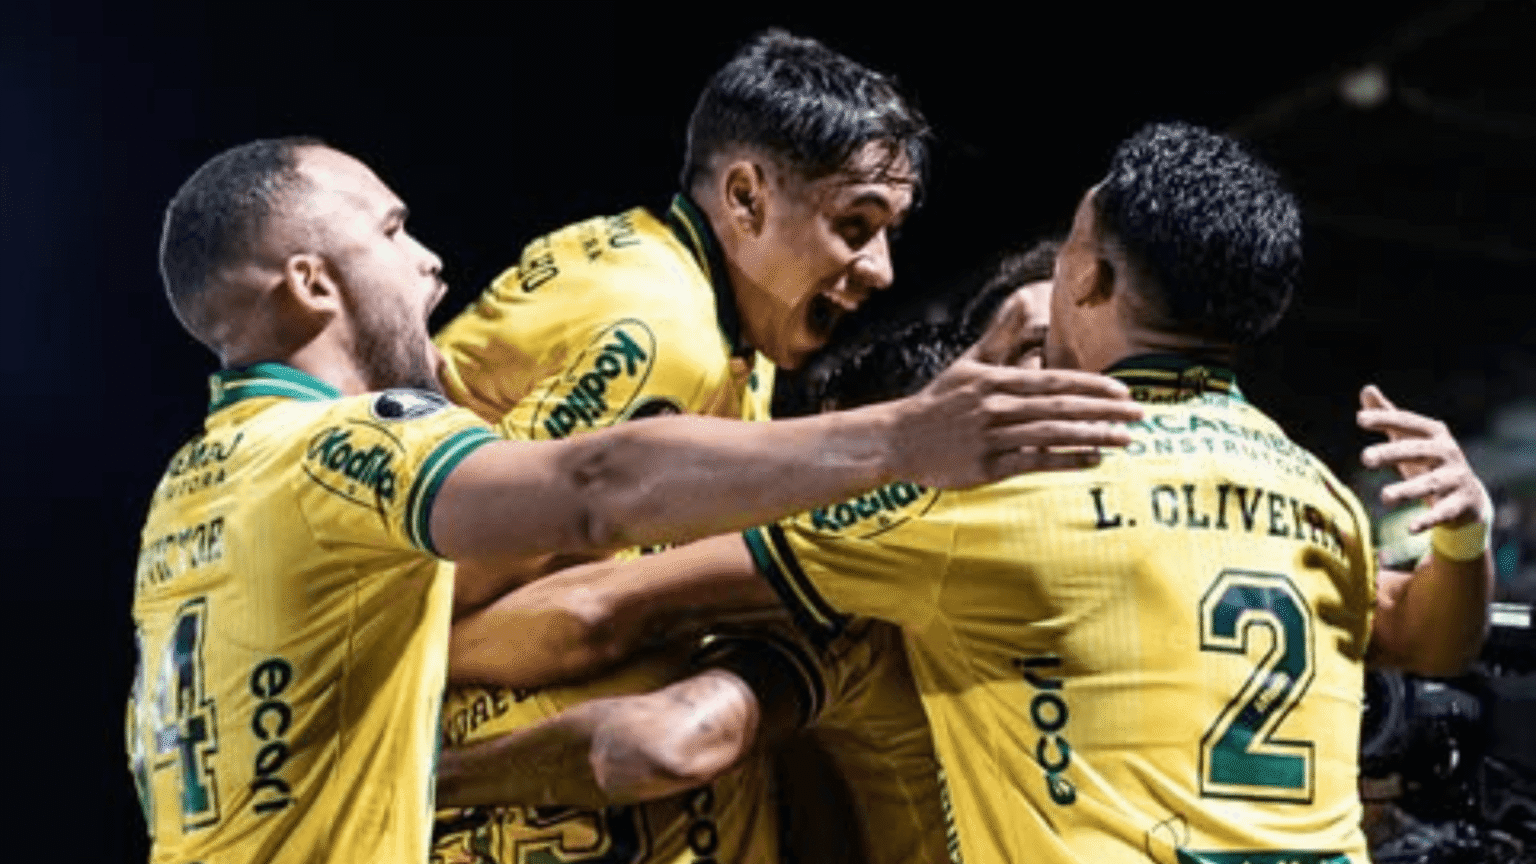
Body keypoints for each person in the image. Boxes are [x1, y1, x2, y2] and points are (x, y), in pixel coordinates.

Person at [437, 122, 1495, 863]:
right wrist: (1464, 540)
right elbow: (1429, 636)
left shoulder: (982, 504)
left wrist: (400, 689)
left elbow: (614, 622)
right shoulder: (1309, 491)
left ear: (1090, 277)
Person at [127, 137, 1144, 864]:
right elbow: (594, 490)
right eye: (392, 230)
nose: (430, 257)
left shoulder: (186, 491)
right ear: (312, 284)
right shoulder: (346, 448)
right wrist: (907, 440)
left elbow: (595, 616)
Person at [429, 30, 993, 864]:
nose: (880, 269)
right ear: (746, 198)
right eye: (854, 224)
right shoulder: (665, 339)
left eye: (888, 234)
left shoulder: (712, 316)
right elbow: (433, 596)